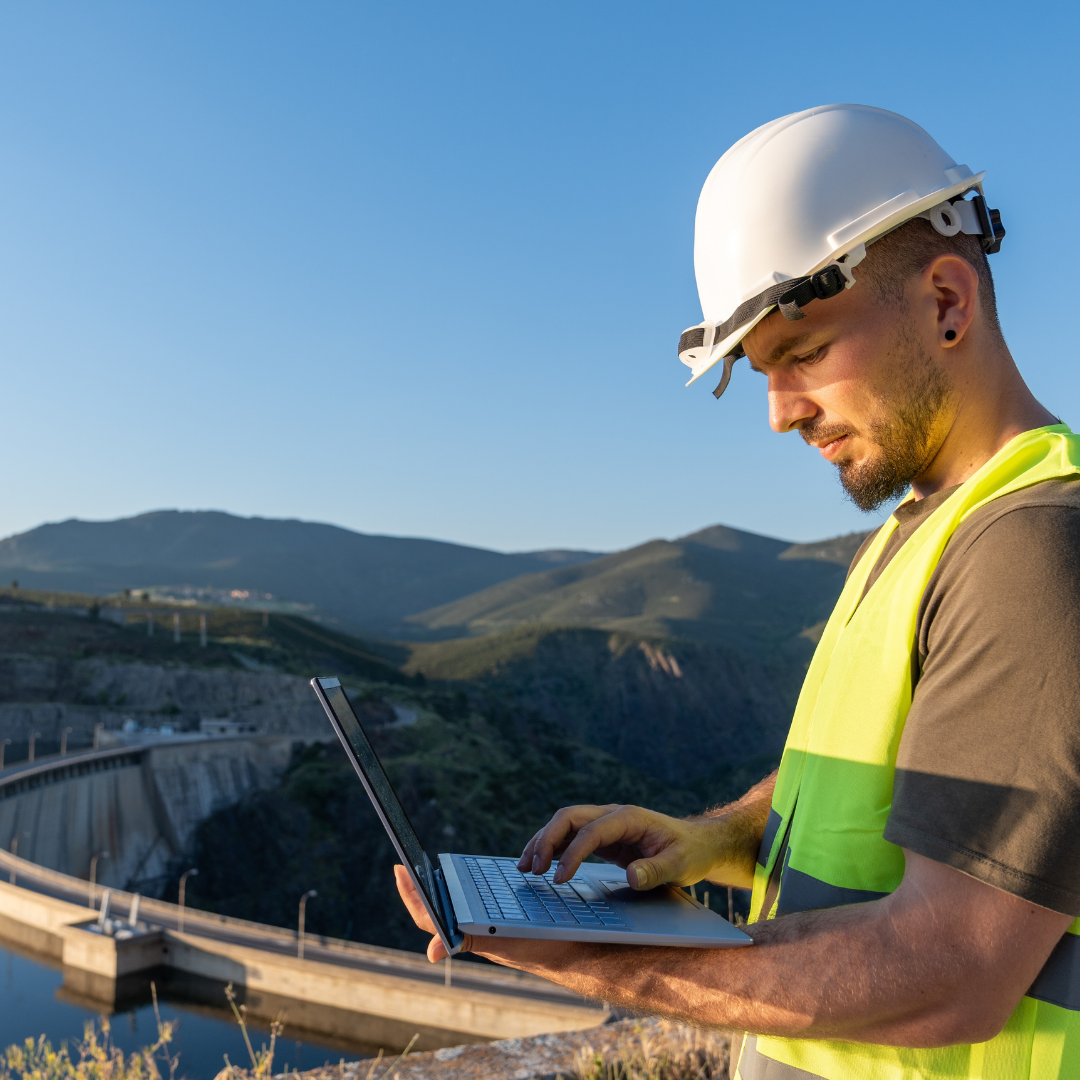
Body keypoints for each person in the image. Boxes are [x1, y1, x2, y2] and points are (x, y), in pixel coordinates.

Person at [396, 105, 1080, 1078]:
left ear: (947, 303)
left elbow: (954, 965)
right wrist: (712, 838)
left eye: (801, 355)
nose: (779, 412)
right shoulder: (926, 530)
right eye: (761, 372)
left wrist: (589, 956)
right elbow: (876, 802)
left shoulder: (1033, 551)